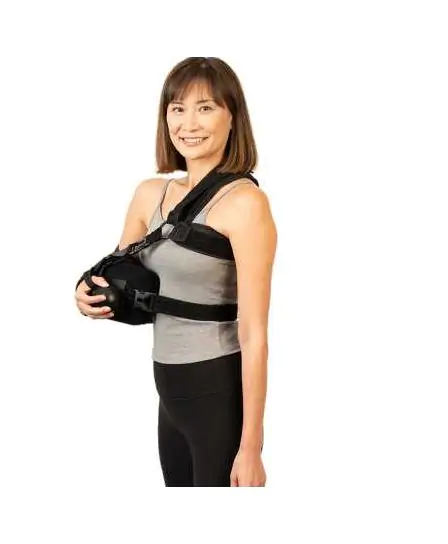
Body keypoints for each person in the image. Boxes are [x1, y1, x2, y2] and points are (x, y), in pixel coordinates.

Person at [74, 57, 277, 486]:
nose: (189, 123)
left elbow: (254, 333)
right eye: (177, 108)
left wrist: (251, 448)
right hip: (168, 389)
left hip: (216, 386)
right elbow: (118, 275)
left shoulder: (245, 204)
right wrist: (85, 292)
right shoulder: (150, 193)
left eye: (205, 108)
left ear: (232, 117)